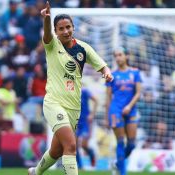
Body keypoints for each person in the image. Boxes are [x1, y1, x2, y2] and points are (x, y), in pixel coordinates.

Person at [28, 2, 113, 175]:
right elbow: (46, 35)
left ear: (73, 27)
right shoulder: (52, 46)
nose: (65, 31)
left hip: (74, 107)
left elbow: (102, 65)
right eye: (61, 28)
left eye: (68, 27)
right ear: (56, 31)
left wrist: (107, 73)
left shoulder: (83, 48)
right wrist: (46, 19)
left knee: (57, 151)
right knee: (71, 145)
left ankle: (35, 172)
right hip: (54, 103)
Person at [105, 47, 141, 175]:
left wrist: (129, 106)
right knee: (120, 141)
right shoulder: (111, 75)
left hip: (130, 110)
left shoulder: (135, 73)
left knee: (131, 144)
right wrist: (106, 117)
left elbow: (138, 93)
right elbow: (108, 97)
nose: (118, 58)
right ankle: (122, 172)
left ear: (126, 56)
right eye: (116, 55)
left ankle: (117, 163)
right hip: (116, 110)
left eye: (120, 55)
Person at [76, 87, 98, 169]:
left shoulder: (84, 91)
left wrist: (92, 114)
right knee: (74, 145)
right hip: (76, 121)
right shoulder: (70, 92)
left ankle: (92, 155)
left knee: (84, 145)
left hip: (85, 122)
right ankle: (79, 165)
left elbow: (96, 100)